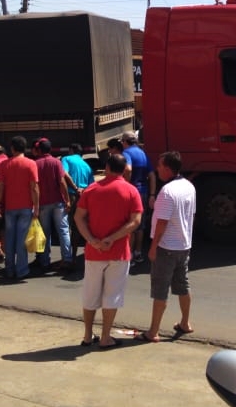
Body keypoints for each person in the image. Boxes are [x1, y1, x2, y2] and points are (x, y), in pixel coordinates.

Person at [74, 154, 143, 349]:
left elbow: (79, 218)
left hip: (94, 251)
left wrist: (92, 240)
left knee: (90, 294)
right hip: (119, 251)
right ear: (124, 170)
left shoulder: (91, 189)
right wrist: (112, 238)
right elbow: (135, 221)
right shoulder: (131, 191)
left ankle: (88, 335)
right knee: (112, 295)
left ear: (106, 167)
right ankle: (105, 337)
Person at [136, 151, 196, 342]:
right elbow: (190, 215)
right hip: (183, 245)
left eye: (160, 166)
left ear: (168, 169)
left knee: (160, 290)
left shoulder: (167, 192)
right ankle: (185, 323)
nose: (157, 169)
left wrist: (153, 247)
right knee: (182, 285)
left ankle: (153, 331)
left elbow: (161, 223)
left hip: (166, 247)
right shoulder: (189, 186)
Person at [0, 136, 39, 280]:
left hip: (10, 208)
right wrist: (36, 207)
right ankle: (22, 270)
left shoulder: (5, 165)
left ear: (12, 148)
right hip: (26, 207)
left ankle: (9, 269)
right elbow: (34, 187)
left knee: (10, 239)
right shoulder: (31, 164)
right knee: (21, 240)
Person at [32, 138, 73, 273]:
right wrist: (67, 200)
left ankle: (44, 261)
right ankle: (67, 259)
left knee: (45, 233)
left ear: (39, 150)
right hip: (58, 201)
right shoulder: (56, 162)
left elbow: (33, 186)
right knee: (63, 231)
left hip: (43, 203)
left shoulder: (35, 164)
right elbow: (62, 182)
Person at [120, 131, 155, 264]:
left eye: (122, 142)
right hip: (144, 192)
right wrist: (152, 194)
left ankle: (129, 257)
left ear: (125, 142)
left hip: (133, 193)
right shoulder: (143, 153)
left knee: (130, 224)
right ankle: (138, 253)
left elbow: (127, 169)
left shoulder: (127, 153)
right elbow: (151, 175)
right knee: (140, 224)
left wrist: (126, 185)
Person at [61, 143, 93, 261]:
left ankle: (67, 258)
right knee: (77, 226)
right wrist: (82, 190)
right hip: (83, 196)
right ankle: (73, 256)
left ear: (71, 150)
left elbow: (64, 173)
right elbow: (92, 185)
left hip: (70, 195)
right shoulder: (87, 166)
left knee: (66, 226)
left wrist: (74, 187)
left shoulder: (66, 159)